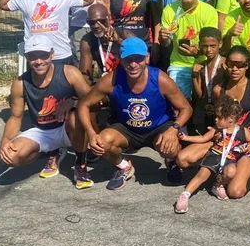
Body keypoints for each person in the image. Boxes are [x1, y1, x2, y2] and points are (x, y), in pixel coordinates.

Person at [77, 38, 193, 190]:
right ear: (121, 59)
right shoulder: (111, 79)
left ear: (147, 58)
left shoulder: (160, 79)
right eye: (128, 59)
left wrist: (174, 129)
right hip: (127, 129)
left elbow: (186, 108)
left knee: (170, 146)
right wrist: (92, 134)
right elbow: (83, 104)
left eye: (138, 59)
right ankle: (123, 167)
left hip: (159, 127)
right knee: (102, 142)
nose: (133, 64)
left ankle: (172, 164)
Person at [0, 36, 94, 188]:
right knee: (10, 158)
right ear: (27, 57)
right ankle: (49, 152)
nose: (39, 61)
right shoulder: (20, 83)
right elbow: (15, 117)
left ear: (52, 55)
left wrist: (73, 101)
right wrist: (5, 141)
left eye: (43, 55)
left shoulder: (69, 73)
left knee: (77, 117)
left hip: (68, 128)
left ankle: (80, 164)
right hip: (42, 131)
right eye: (33, 56)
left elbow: (93, 101)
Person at [174, 94, 250, 212]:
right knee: (202, 174)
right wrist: (186, 138)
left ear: (230, 119)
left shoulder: (244, 131)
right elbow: (203, 139)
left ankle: (217, 185)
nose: (215, 119)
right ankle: (185, 195)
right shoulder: (217, 130)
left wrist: (247, 147)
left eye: (219, 117)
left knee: (231, 171)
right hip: (215, 154)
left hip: (231, 159)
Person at [0, 0, 94, 66]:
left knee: (64, 81)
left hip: (61, 53)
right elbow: (3, 5)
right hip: (36, 56)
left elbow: (89, 0)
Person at [213, 46, 250, 182]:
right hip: (227, 139)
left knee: (235, 191)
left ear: (247, 66)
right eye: (231, 64)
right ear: (225, 65)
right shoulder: (218, 90)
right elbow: (217, 116)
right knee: (184, 159)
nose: (235, 69)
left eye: (240, 65)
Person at [159, 0, 219, 100]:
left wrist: (197, 52)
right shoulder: (169, 10)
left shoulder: (209, 11)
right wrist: (163, 38)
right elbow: (166, 44)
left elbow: (212, 45)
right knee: (177, 101)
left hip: (205, 61)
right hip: (179, 63)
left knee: (208, 100)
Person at [190, 27, 225, 134]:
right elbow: (200, 95)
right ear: (200, 45)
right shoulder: (200, 66)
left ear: (220, 44)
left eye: (212, 46)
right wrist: (194, 76)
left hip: (223, 109)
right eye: (205, 46)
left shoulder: (225, 64)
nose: (209, 50)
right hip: (206, 110)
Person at [78, 3, 121, 83]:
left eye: (101, 21)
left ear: (108, 19)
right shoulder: (88, 41)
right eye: (91, 22)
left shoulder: (124, 34)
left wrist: (118, 41)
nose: (96, 26)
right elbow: (86, 77)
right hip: (105, 83)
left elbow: (139, 58)